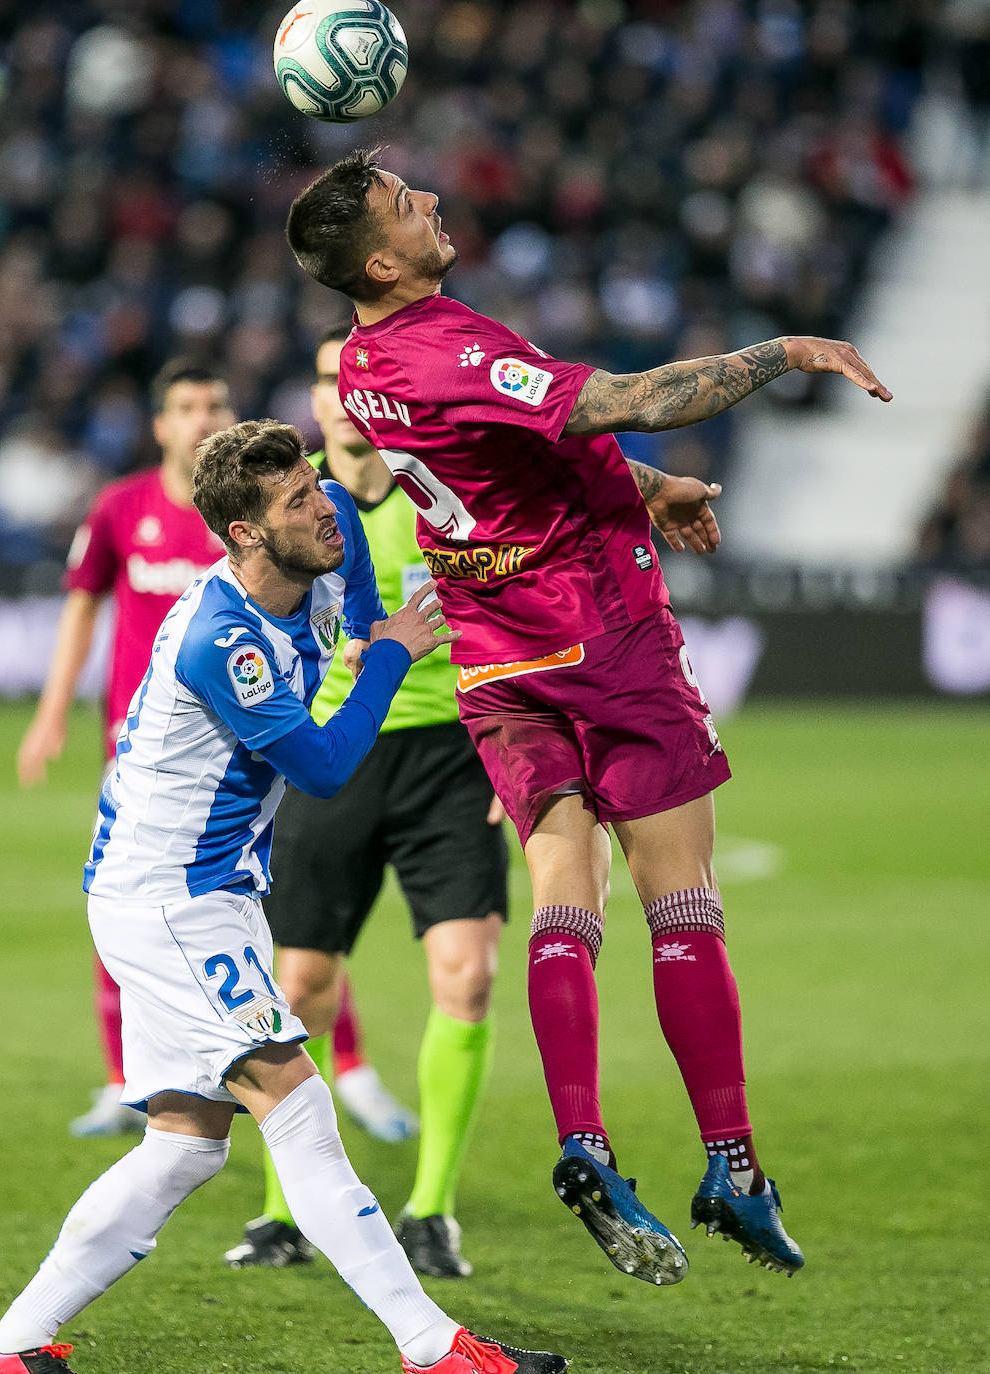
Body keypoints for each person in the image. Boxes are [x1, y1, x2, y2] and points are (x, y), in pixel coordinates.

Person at [284, 149, 893, 1285]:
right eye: (402, 202)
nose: (427, 199)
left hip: (493, 657)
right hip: (599, 634)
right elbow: (628, 401)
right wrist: (784, 351)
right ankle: (731, 1165)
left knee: (565, 897)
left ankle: (584, 1141)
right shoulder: (451, 345)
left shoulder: (366, 362)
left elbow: (513, 449)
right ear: (379, 258)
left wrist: (645, 490)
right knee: (685, 904)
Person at [0, 419, 567, 1374]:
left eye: (317, 487)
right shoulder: (222, 639)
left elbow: (365, 595)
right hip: (166, 899)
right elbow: (327, 767)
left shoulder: (315, 565)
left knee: (183, 1147)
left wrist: (376, 611)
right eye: (297, 500)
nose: (324, 507)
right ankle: (432, 1346)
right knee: (295, 1104)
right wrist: (390, 656)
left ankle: (12, 1348)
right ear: (246, 533)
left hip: (208, 892)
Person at [17, 358, 409, 1142]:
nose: (202, 417)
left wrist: (364, 632)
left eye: (214, 403)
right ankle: (129, 1077)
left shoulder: (292, 516)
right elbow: (83, 603)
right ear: (161, 425)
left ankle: (348, 1064)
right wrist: (54, 706)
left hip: (262, 738)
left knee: (297, 918)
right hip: (158, 754)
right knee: (150, 906)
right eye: (186, 406)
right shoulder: (123, 510)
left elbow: (346, 539)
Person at [223, 327, 508, 1280]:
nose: (344, 398)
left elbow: (516, 623)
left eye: (361, 381)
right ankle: (283, 1212)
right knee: (296, 988)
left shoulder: (447, 502)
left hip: (451, 759)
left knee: (466, 977)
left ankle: (431, 1209)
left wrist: (516, 749)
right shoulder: (298, 521)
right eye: (328, 384)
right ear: (315, 405)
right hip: (331, 760)